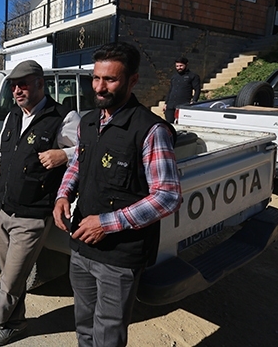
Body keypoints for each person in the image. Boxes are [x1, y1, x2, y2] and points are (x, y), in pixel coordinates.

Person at [53, 42, 182, 347]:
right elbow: (77, 164)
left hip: (120, 255)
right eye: (96, 78)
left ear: (132, 80)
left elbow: (168, 195)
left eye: (110, 79)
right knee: (83, 324)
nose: (100, 87)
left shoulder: (151, 130)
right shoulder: (88, 121)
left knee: (109, 332)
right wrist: (62, 195)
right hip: (81, 245)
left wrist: (107, 223)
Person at [0, 60, 80, 346]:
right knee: (6, 272)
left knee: (13, 277)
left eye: (24, 84)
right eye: (14, 86)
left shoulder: (64, 117)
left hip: (32, 215)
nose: (17, 90)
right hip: (4, 208)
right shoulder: (12, 116)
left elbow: (88, 149)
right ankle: (15, 323)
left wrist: (65, 155)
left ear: (40, 84)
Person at [163, 57, 201, 123]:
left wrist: (194, 101)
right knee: (169, 123)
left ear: (186, 65)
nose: (179, 68)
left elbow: (197, 89)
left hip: (183, 104)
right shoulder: (174, 77)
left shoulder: (193, 76)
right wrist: (166, 103)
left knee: (181, 123)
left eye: (181, 66)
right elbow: (170, 90)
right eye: (177, 66)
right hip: (171, 104)